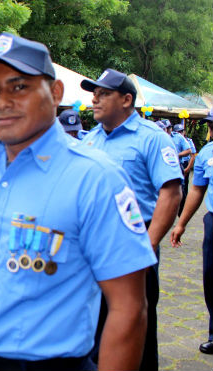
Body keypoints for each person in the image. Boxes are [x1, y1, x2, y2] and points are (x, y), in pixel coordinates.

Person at [0, 32, 157, 371]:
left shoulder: (96, 179)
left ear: (55, 92)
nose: (2, 102)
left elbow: (128, 308)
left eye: (19, 87)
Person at [81, 68, 183, 370]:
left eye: (103, 94)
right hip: (93, 246)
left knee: (135, 326)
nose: (95, 100)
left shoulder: (152, 138)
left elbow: (171, 192)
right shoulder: (90, 140)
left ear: (126, 99)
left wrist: (147, 247)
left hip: (133, 242)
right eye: (94, 94)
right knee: (96, 322)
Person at [170, 113, 213, 355]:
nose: (210, 128)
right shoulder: (207, 153)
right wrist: (182, 223)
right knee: (211, 278)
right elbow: (197, 190)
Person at [173, 123, 197, 216]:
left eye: (181, 131)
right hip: (177, 164)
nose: (180, 133)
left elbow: (192, 155)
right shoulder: (172, 139)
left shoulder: (188, 141)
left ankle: (182, 210)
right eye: (178, 131)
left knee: (184, 188)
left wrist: (188, 169)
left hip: (184, 164)